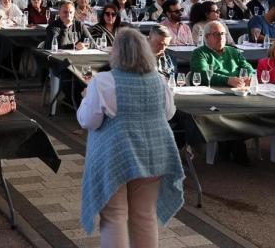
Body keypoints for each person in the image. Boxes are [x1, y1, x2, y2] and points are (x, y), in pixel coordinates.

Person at [78, 28, 183, 247]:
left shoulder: (104, 81)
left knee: (114, 215)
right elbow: (168, 113)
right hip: (154, 152)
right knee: (144, 214)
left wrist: (87, 97)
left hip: (116, 153)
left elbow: (89, 121)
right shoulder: (159, 79)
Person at [190, 21, 253, 88]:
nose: (221, 37)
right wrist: (227, 80)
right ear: (207, 37)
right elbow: (202, 75)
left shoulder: (234, 51)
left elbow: (248, 68)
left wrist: (248, 77)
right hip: (212, 92)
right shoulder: (199, 53)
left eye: (223, 34)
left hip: (238, 89)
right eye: (216, 34)